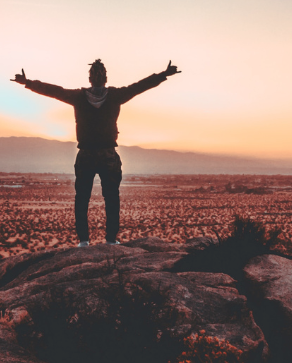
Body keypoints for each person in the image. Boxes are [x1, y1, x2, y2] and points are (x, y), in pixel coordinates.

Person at [13, 59, 180, 246]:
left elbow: (54, 91)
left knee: (82, 198)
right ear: (105, 78)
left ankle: (84, 241)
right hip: (108, 154)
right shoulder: (115, 95)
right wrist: (163, 75)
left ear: (89, 78)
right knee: (111, 198)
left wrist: (28, 83)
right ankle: (111, 240)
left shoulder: (79, 97)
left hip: (86, 154)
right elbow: (139, 86)